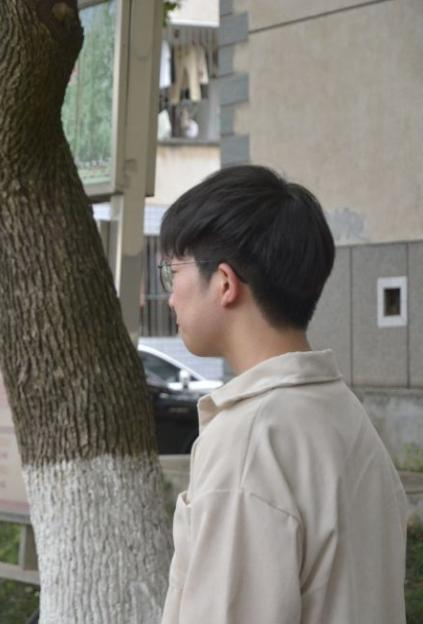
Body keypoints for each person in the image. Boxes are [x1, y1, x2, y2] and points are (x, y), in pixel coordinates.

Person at [158, 165, 407, 623]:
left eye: (173, 271)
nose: (171, 297)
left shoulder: (249, 441)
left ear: (225, 283)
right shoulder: (345, 415)